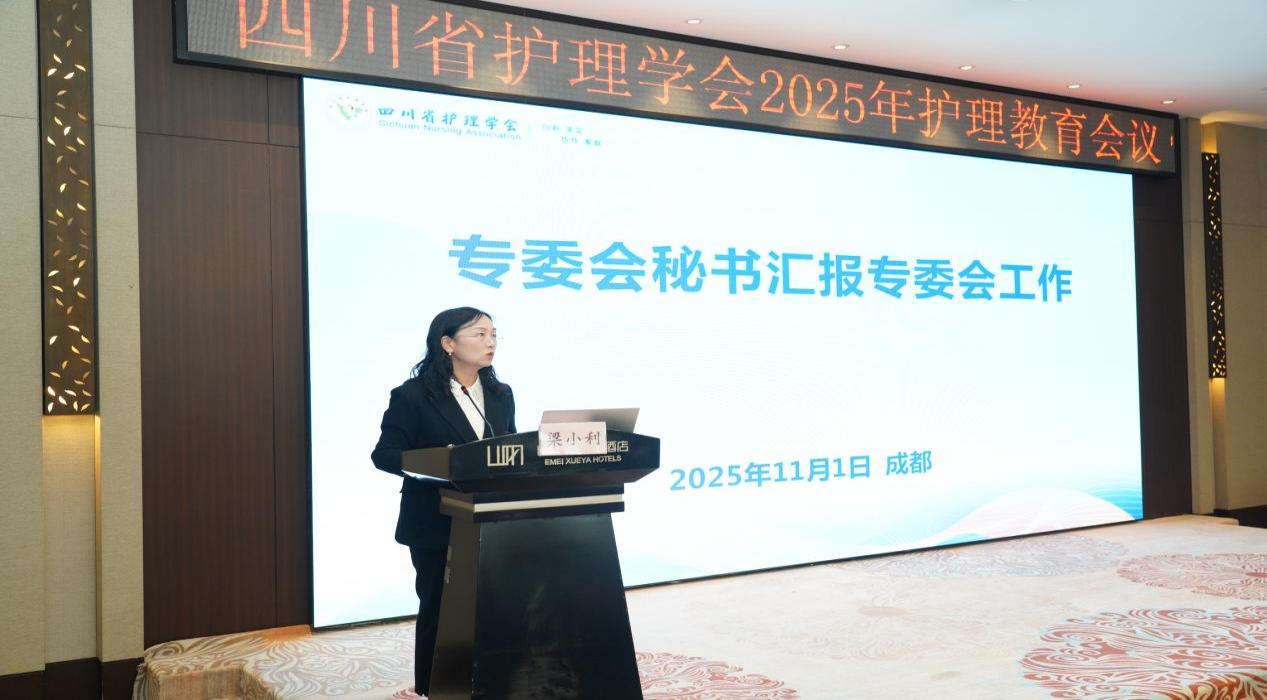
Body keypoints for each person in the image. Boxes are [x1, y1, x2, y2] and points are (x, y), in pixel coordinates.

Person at [370, 307, 516, 696]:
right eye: (480, 334)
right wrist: (438, 461)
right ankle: (436, 687)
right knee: (440, 605)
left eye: (494, 334)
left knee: (496, 606)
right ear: (448, 343)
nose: (490, 342)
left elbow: (511, 450)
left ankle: (493, 681)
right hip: (436, 520)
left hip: (492, 519)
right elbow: (385, 454)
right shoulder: (413, 396)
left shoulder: (501, 394)